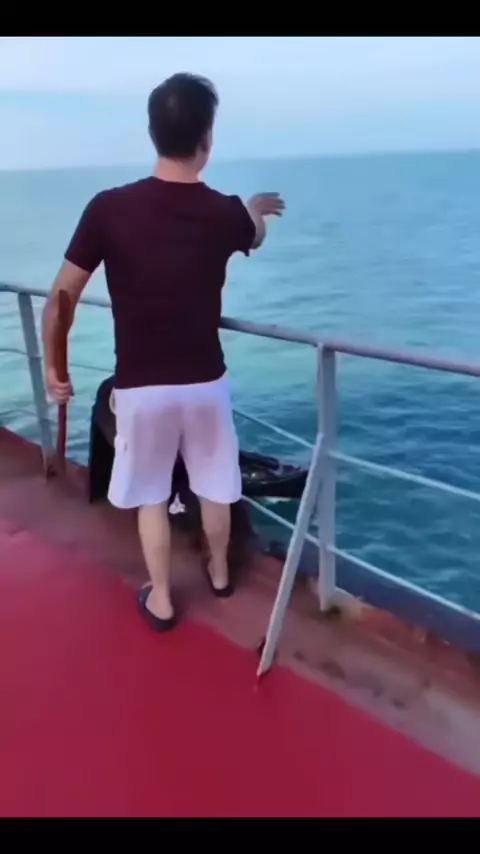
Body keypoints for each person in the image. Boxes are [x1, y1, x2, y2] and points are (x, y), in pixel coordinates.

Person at [42, 72, 285, 632]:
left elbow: (60, 299)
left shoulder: (108, 209)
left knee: (151, 497)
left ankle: (163, 602)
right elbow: (253, 235)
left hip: (142, 388)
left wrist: (55, 367)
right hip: (206, 383)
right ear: (207, 139)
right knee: (216, 485)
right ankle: (220, 573)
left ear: (153, 132)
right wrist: (252, 209)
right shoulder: (223, 211)